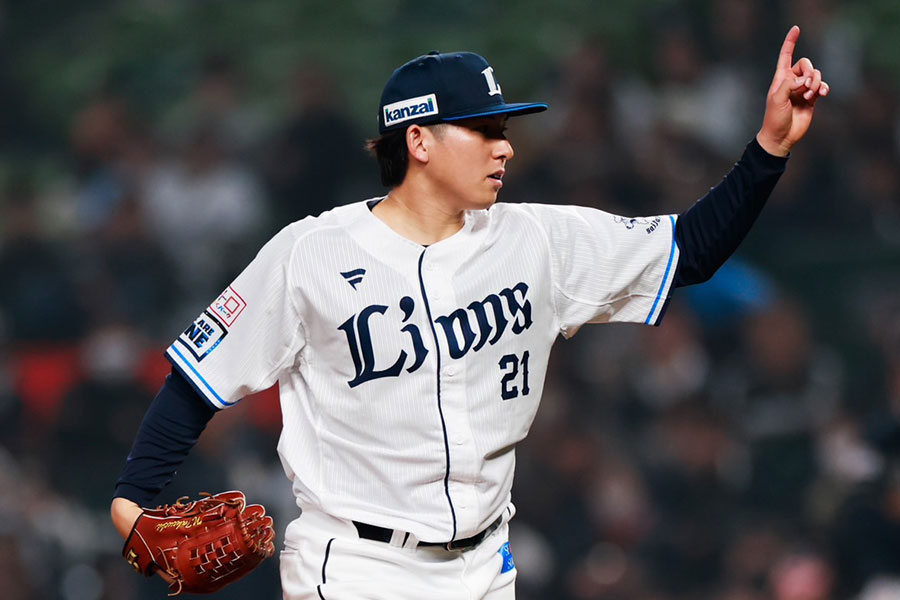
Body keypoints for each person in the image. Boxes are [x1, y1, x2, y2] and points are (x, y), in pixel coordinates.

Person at [111, 26, 828, 599]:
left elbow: (690, 251)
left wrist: (769, 150)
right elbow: (195, 384)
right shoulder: (311, 253)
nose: (505, 144)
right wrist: (130, 509)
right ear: (418, 141)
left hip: (486, 567)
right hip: (358, 570)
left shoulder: (536, 239)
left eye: (503, 127)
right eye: (482, 130)